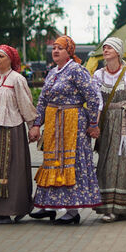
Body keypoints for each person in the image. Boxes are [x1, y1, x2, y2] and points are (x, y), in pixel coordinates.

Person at [28, 36, 101, 225]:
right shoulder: (52, 72)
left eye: (60, 48)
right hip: (53, 123)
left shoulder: (77, 70)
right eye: (54, 48)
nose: (56, 51)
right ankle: (48, 205)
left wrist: (93, 123)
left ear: (69, 51)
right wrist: (37, 124)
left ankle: (72, 210)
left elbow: (92, 96)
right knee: (51, 162)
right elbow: (43, 100)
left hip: (72, 122)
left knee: (71, 162)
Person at [93, 37, 126, 222]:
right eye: (105, 47)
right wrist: (94, 125)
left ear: (118, 52)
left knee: (125, 163)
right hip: (107, 122)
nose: (106, 50)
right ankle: (108, 207)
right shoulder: (98, 75)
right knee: (107, 163)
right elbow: (96, 102)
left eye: (110, 47)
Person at [0, 45, 36, 225]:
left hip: (13, 130)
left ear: (10, 59)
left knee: (14, 171)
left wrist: (32, 126)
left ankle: (14, 209)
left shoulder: (17, 79)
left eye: (1, 57)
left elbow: (25, 103)